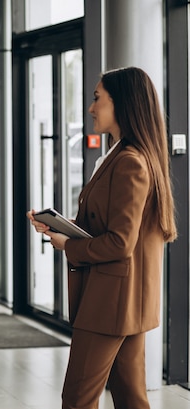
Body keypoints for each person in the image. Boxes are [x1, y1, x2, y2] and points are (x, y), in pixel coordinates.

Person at [27, 66, 177, 409]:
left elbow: (120, 242)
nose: (91, 107)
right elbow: (109, 227)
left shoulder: (130, 163)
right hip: (126, 300)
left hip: (111, 301)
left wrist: (69, 245)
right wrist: (57, 227)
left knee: (78, 398)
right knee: (130, 397)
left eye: (97, 99)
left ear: (121, 104)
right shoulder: (125, 156)